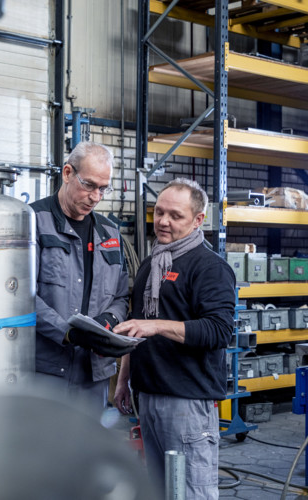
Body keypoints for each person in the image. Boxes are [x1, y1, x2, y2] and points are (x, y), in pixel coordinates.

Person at [112, 178, 235, 499]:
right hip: (148, 396)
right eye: (159, 212)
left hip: (187, 402)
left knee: (191, 493)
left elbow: (218, 331)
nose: (163, 221)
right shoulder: (152, 263)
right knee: (159, 491)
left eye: (175, 215)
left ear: (198, 220)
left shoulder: (210, 268)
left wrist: (157, 326)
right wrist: (124, 380)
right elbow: (134, 324)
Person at [31, 141, 133, 410]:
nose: (96, 197)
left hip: (93, 373)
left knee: (86, 448)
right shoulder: (32, 221)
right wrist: (69, 333)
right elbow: (18, 295)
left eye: (103, 188)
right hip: (44, 371)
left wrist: (107, 321)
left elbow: (121, 294)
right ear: (67, 173)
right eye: (88, 185)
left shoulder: (110, 233)